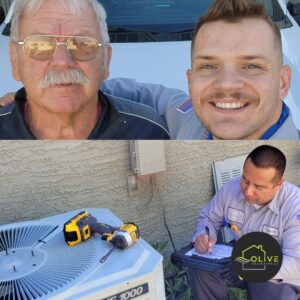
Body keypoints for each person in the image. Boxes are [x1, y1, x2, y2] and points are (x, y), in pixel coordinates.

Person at [1, 0, 299, 140]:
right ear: (191, 80)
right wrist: (69, 83)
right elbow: (148, 94)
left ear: (283, 81)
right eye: (209, 66)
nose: (227, 85)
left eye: (251, 65)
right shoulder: (189, 117)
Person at [0, 0, 169, 139]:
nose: (62, 61)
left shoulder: (148, 131)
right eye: (40, 44)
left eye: (82, 44)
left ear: (105, 61)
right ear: (15, 60)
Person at [190, 145, 300, 300]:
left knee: (271, 292)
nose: (247, 191)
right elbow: (208, 218)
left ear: (278, 185)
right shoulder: (230, 189)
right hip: (238, 259)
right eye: (245, 180)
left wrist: (249, 267)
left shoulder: (295, 206)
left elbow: (296, 263)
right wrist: (203, 234)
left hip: (279, 272)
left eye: (259, 187)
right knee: (203, 271)